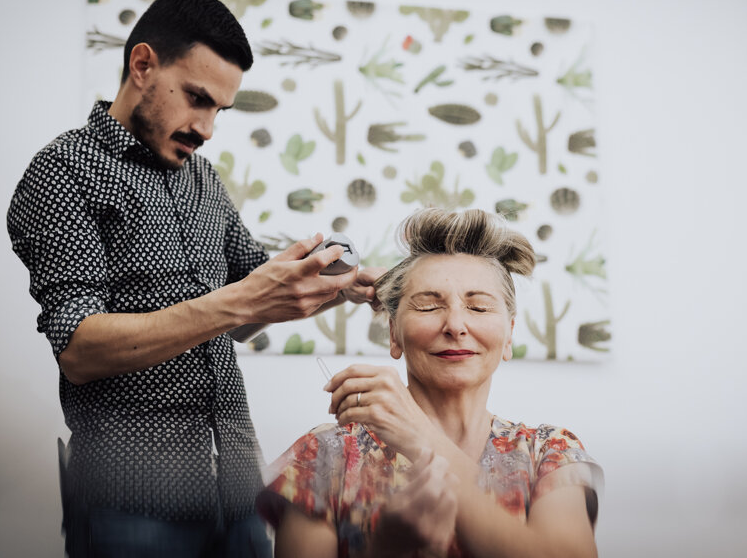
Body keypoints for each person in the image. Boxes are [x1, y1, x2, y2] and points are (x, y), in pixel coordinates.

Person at [7, 0, 383, 557]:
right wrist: (243, 301)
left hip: (236, 494)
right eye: (196, 98)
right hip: (130, 506)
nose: (205, 128)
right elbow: (80, 350)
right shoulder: (63, 172)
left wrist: (342, 287)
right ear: (142, 65)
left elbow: (250, 298)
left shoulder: (203, 179)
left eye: (218, 111)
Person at [258, 208, 603, 558]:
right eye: (428, 306)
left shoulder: (550, 453)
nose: (455, 325)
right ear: (394, 334)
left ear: (509, 335)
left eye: (479, 308)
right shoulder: (324, 456)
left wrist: (420, 436)